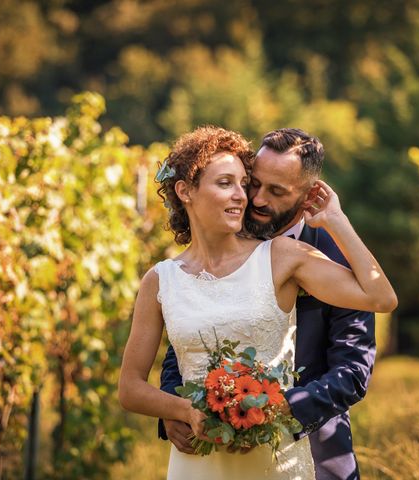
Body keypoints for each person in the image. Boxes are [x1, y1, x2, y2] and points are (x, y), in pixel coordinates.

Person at [118, 126, 396, 480]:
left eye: (275, 191)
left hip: (305, 443)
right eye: (251, 184)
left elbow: (361, 348)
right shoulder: (164, 278)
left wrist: (272, 410)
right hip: (201, 457)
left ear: (307, 194)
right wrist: (180, 409)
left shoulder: (296, 255)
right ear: (185, 191)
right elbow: (187, 345)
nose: (253, 199)